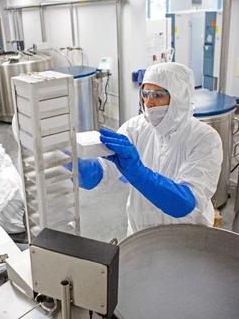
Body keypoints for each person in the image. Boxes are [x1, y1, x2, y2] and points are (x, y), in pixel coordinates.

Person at [77, 62, 223, 235]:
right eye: (145, 94)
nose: (149, 103)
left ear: (179, 98)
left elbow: (184, 203)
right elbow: (103, 172)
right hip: (141, 233)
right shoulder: (135, 128)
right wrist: (77, 166)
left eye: (158, 95)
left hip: (186, 239)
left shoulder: (205, 138)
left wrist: (138, 173)